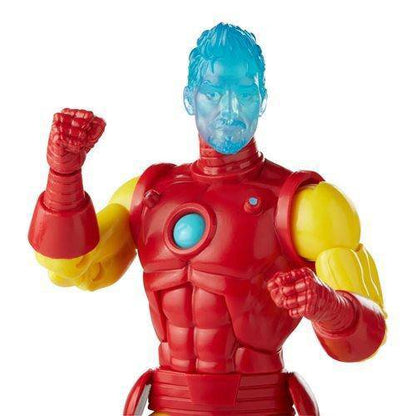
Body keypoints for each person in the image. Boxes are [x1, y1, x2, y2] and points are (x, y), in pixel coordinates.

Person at [29, 23, 386, 416]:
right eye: (214, 93)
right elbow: (72, 268)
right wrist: (64, 175)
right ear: (189, 97)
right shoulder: (148, 194)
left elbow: (368, 339)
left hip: (257, 408)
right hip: (170, 407)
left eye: (245, 93)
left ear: (263, 100)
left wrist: (325, 305)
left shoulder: (304, 203)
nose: (230, 109)